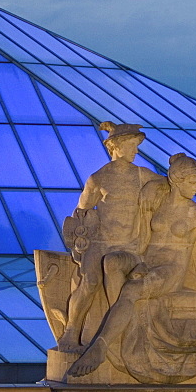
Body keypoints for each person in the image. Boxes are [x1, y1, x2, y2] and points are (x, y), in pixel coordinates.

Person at [68, 153, 196, 381]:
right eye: (192, 183)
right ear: (177, 180)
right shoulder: (157, 200)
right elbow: (151, 184)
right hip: (144, 261)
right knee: (112, 261)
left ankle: (100, 346)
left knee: (131, 290)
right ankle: (122, 326)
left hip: (169, 271)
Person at [57, 122, 164, 351]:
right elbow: (81, 213)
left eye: (136, 146)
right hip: (102, 242)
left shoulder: (142, 175)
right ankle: (71, 331)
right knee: (91, 281)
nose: (136, 151)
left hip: (130, 245)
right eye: (132, 145)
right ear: (116, 146)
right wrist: (80, 244)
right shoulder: (98, 178)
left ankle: (120, 332)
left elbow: (168, 186)